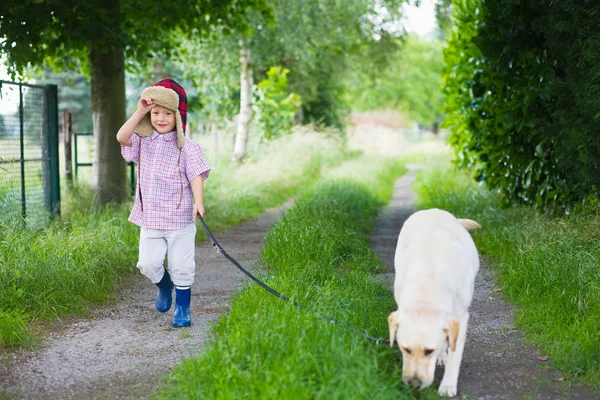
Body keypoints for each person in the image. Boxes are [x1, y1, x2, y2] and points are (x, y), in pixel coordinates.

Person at [116, 78, 210, 328]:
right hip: (152, 219)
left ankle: (182, 308)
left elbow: (196, 175)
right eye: (156, 113)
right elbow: (121, 136)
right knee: (147, 263)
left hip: (180, 220)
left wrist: (198, 201)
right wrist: (140, 111)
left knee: (181, 265)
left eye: (167, 114)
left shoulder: (187, 148)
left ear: (177, 117)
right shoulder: (142, 142)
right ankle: (164, 285)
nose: (160, 118)